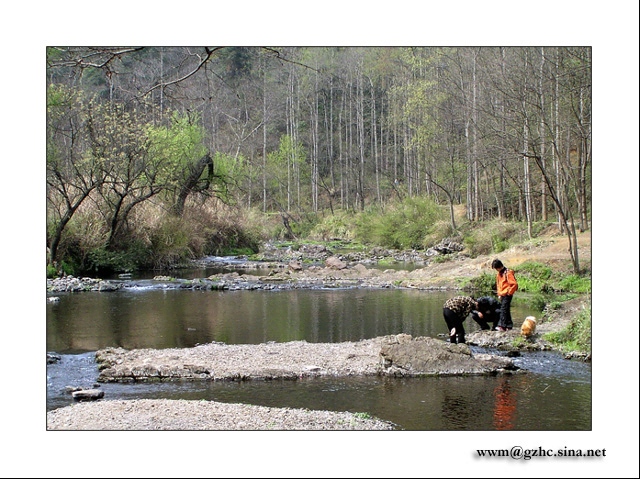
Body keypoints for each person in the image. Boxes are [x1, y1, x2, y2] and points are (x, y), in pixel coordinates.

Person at [491, 259, 518, 331]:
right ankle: (509, 325)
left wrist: (509, 292)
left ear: (499, 266)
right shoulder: (499, 274)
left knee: (503, 310)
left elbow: (514, 284)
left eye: (496, 268)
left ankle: (502, 326)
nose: (496, 270)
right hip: (502, 294)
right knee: (506, 309)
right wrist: (499, 294)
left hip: (507, 294)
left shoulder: (508, 273)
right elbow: (498, 285)